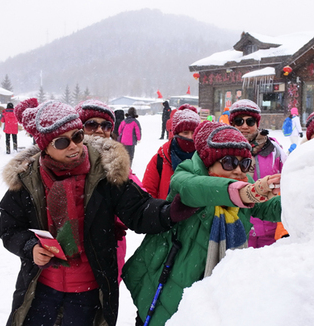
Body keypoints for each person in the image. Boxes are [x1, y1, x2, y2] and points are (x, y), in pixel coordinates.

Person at [0, 98, 196, 326]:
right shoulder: (29, 179)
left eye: (77, 136)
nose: (73, 146)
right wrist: (29, 247)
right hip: (42, 288)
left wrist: (170, 211)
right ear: (45, 147)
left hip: (88, 290)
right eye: (62, 142)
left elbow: (138, 210)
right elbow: (10, 227)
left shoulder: (103, 172)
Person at [123, 121, 282, 326]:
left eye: (244, 164)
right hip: (168, 283)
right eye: (229, 162)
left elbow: (271, 207)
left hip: (209, 291)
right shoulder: (186, 176)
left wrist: (302, 199)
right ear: (208, 162)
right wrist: (244, 192)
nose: (237, 171)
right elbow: (195, 189)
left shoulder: (245, 187)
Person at [75, 99, 137, 284]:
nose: (100, 130)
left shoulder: (117, 162)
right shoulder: (68, 158)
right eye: (91, 124)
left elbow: (137, 195)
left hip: (109, 243)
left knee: (106, 299)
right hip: (75, 247)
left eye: (106, 125)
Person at [229, 99, 288, 247]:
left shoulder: (274, 150)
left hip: (270, 227)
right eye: (238, 121)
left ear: (257, 124)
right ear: (231, 124)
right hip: (236, 226)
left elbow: (288, 182)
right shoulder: (223, 152)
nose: (244, 126)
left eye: (250, 121)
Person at [143, 104, 201, 199]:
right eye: (185, 133)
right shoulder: (160, 159)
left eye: (194, 132)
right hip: (165, 211)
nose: (190, 137)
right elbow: (147, 193)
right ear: (176, 133)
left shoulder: (205, 158)